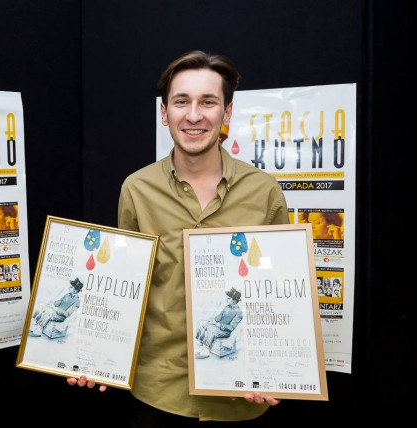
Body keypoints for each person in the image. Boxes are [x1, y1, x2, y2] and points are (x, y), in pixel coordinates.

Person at [68, 51, 288, 423]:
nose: (194, 115)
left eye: (208, 102)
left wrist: (272, 371)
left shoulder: (264, 191)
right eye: (181, 101)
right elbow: (121, 287)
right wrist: (91, 354)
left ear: (227, 113)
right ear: (164, 112)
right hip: (158, 393)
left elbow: (279, 293)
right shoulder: (137, 189)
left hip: (239, 394)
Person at [194, 287, 243, 359]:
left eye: (229, 298)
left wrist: (220, 325)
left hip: (225, 331)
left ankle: (206, 349)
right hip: (217, 326)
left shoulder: (239, 313)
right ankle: (199, 343)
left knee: (213, 329)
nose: (226, 300)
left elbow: (231, 327)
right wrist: (213, 319)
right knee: (201, 322)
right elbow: (220, 316)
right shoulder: (227, 307)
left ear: (234, 300)